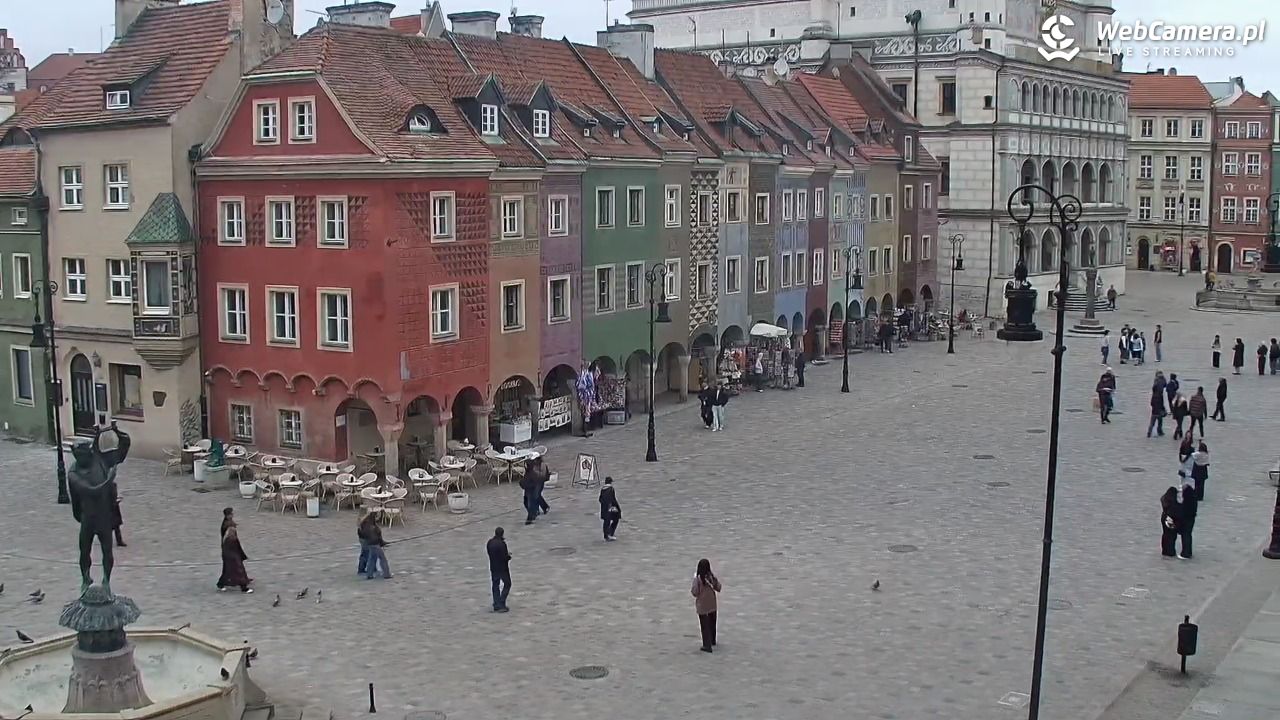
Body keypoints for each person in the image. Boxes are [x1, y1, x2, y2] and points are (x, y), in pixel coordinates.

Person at [691, 558, 722, 653]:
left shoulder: (698, 579)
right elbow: (719, 587)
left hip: (702, 606)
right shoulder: (711, 577)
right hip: (712, 604)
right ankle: (712, 640)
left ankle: (707, 645)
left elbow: (695, 592)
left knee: (704, 626)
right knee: (712, 623)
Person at [217, 519, 253, 593]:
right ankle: (243, 587)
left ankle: (220, 584)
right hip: (232, 558)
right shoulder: (230, 540)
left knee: (227, 572)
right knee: (239, 572)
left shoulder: (230, 539)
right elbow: (233, 550)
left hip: (232, 558)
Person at [361, 512, 392, 580]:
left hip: (370, 544)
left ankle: (369, 575)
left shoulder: (366, 524)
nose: (378, 518)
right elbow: (376, 537)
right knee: (383, 559)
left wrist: (382, 542)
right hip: (375, 544)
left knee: (372, 559)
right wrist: (382, 543)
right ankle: (387, 574)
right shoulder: (373, 526)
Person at [487, 527, 512, 612]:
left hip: (493, 567)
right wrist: (508, 556)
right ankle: (501, 602)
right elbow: (504, 557)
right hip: (502, 568)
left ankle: (496, 603)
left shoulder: (490, 542)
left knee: (495, 585)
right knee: (507, 584)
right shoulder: (502, 544)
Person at [1177, 484, 1198, 559]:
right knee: (1188, 535)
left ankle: (1185, 553)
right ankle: (1188, 552)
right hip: (1191, 519)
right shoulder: (1193, 498)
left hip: (1186, 520)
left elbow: (1184, 511)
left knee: (1185, 536)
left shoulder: (1187, 501)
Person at [1160, 487, 1181, 558]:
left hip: (1164, 517)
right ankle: (1170, 551)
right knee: (1172, 536)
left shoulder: (1164, 500)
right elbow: (1175, 512)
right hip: (1170, 519)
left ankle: (1165, 550)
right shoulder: (1173, 503)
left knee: (1165, 534)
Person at [599, 476, 621, 541]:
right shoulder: (611, 489)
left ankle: (606, 535)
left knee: (606, 521)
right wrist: (617, 507)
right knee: (616, 519)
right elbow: (613, 499)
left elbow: (600, 499)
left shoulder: (602, 489)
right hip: (610, 508)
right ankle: (610, 533)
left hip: (604, 508)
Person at [356, 511, 372, 575]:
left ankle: (364, 568)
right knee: (366, 553)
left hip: (364, 538)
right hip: (364, 538)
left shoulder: (363, 520)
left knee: (366, 553)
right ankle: (362, 569)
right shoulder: (363, 521)